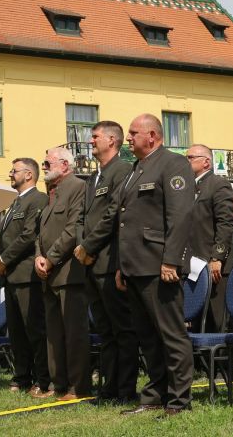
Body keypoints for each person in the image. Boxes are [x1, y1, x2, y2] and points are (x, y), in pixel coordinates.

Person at [116, 114, 195, 419]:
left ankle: (178, 401)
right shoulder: (137, 168)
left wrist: (171, 259)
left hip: (159, 263)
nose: (128, 138)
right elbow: (126, 220)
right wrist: (122, 266)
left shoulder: (173, 164)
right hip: (135, 265)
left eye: (133, 133)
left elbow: (180, 215)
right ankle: (154, 395)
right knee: (147, 336)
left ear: (152, 135)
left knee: (171, 334)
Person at [73, 121, 139, 405]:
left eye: (95, 137)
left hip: (110, 261)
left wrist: (88, 246)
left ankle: (124, 391)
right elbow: (82, 218)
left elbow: (114, 213)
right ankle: (108, 389)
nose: (91, 142)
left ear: (112, 140)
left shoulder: (122, 170)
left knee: (122, 330)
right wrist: (81, 246)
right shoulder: (93, 178)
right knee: (105, 331)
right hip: (90, 263)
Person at [36, 147, 90, 401]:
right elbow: (42, 232)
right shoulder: (52, 192)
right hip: (49, 273)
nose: (43, 166)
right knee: (54, 334)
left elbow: (72, 230)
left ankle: (77, 387)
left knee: (73, 333)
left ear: (65, 166)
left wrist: (50, 258)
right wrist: (39, 256)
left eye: (47, 163)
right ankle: (58, 385)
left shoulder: (77, 187)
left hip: (69, 272)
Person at [0, 158, 51, 395]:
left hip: (27, 274)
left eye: (14, 170)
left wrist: (4, 259)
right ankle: (21, 377)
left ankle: (42, 379)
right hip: (12, 276)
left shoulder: (37, 199)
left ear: (29, 174)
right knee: (17, 332)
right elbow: (5, 237)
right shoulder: (15, 203)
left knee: (34, 329)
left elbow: (28, 235)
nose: (10, 174)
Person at [186, 143, 233, 332]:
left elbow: (226, 222)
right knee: (197, 322)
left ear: (206, 162)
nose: (186, 161)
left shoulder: (217, 183)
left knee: (216, 320)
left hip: (213, 264)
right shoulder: (188, 186)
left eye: (190, 158)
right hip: (194, 263)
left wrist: (217, 257)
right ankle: (203, 362)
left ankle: (222, 362)